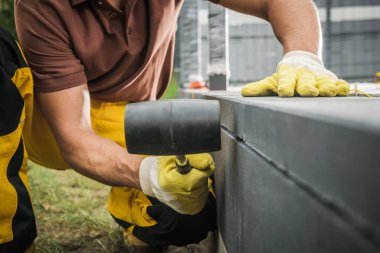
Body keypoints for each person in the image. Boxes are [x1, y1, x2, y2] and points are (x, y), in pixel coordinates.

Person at [3, 0, 350, 252]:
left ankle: (133, 213)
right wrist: (149, 174)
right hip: (51, 120)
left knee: (189, 210)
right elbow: (73, 136)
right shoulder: (40, 4)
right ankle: (8, 236)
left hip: (132, 119)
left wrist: (303, 56)